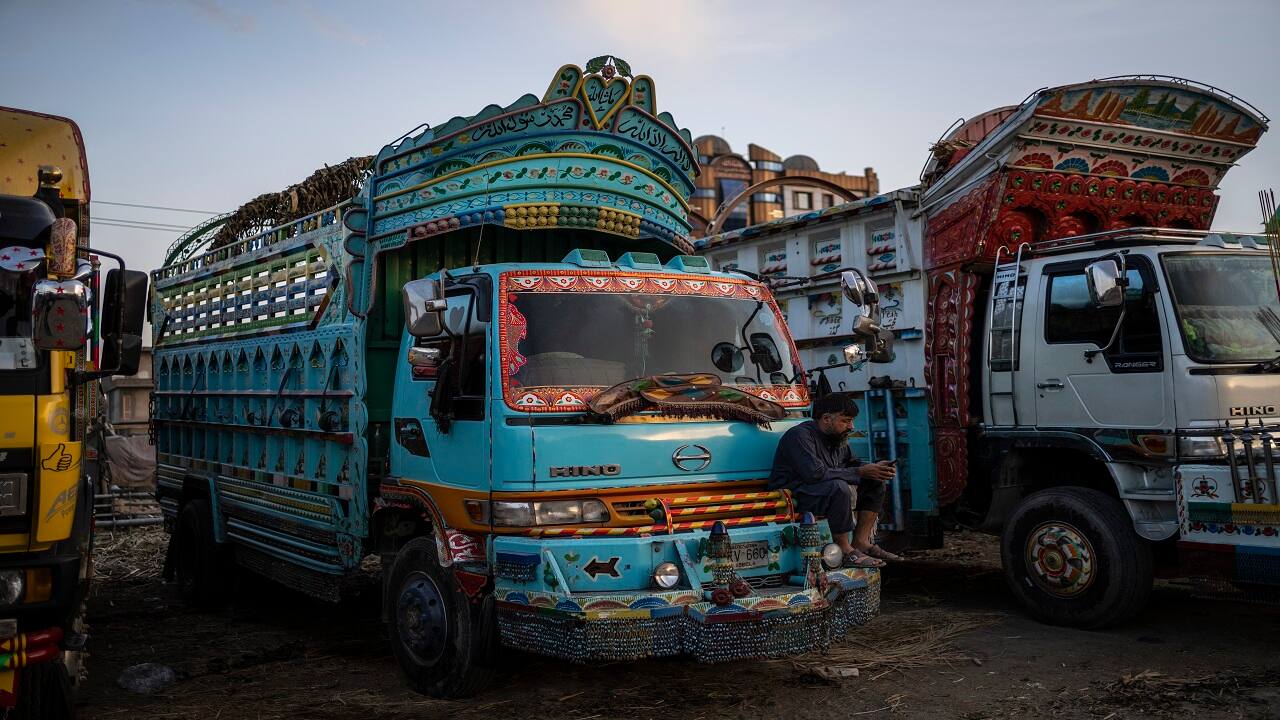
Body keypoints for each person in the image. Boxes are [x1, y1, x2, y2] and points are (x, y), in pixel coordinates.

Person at [768, 392, 901, 568]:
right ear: (826, 418)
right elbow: (814, 474)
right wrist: (860, 471)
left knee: (875, 481)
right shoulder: (799, 436)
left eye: (852, 421)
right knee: (837, 487)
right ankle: (845, 550)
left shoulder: (838, 439)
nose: (851, 426)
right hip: (794, 495)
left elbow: (853, 465)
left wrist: (875, 468)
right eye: (845, 421)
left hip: (820, 492)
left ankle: (861, 541)